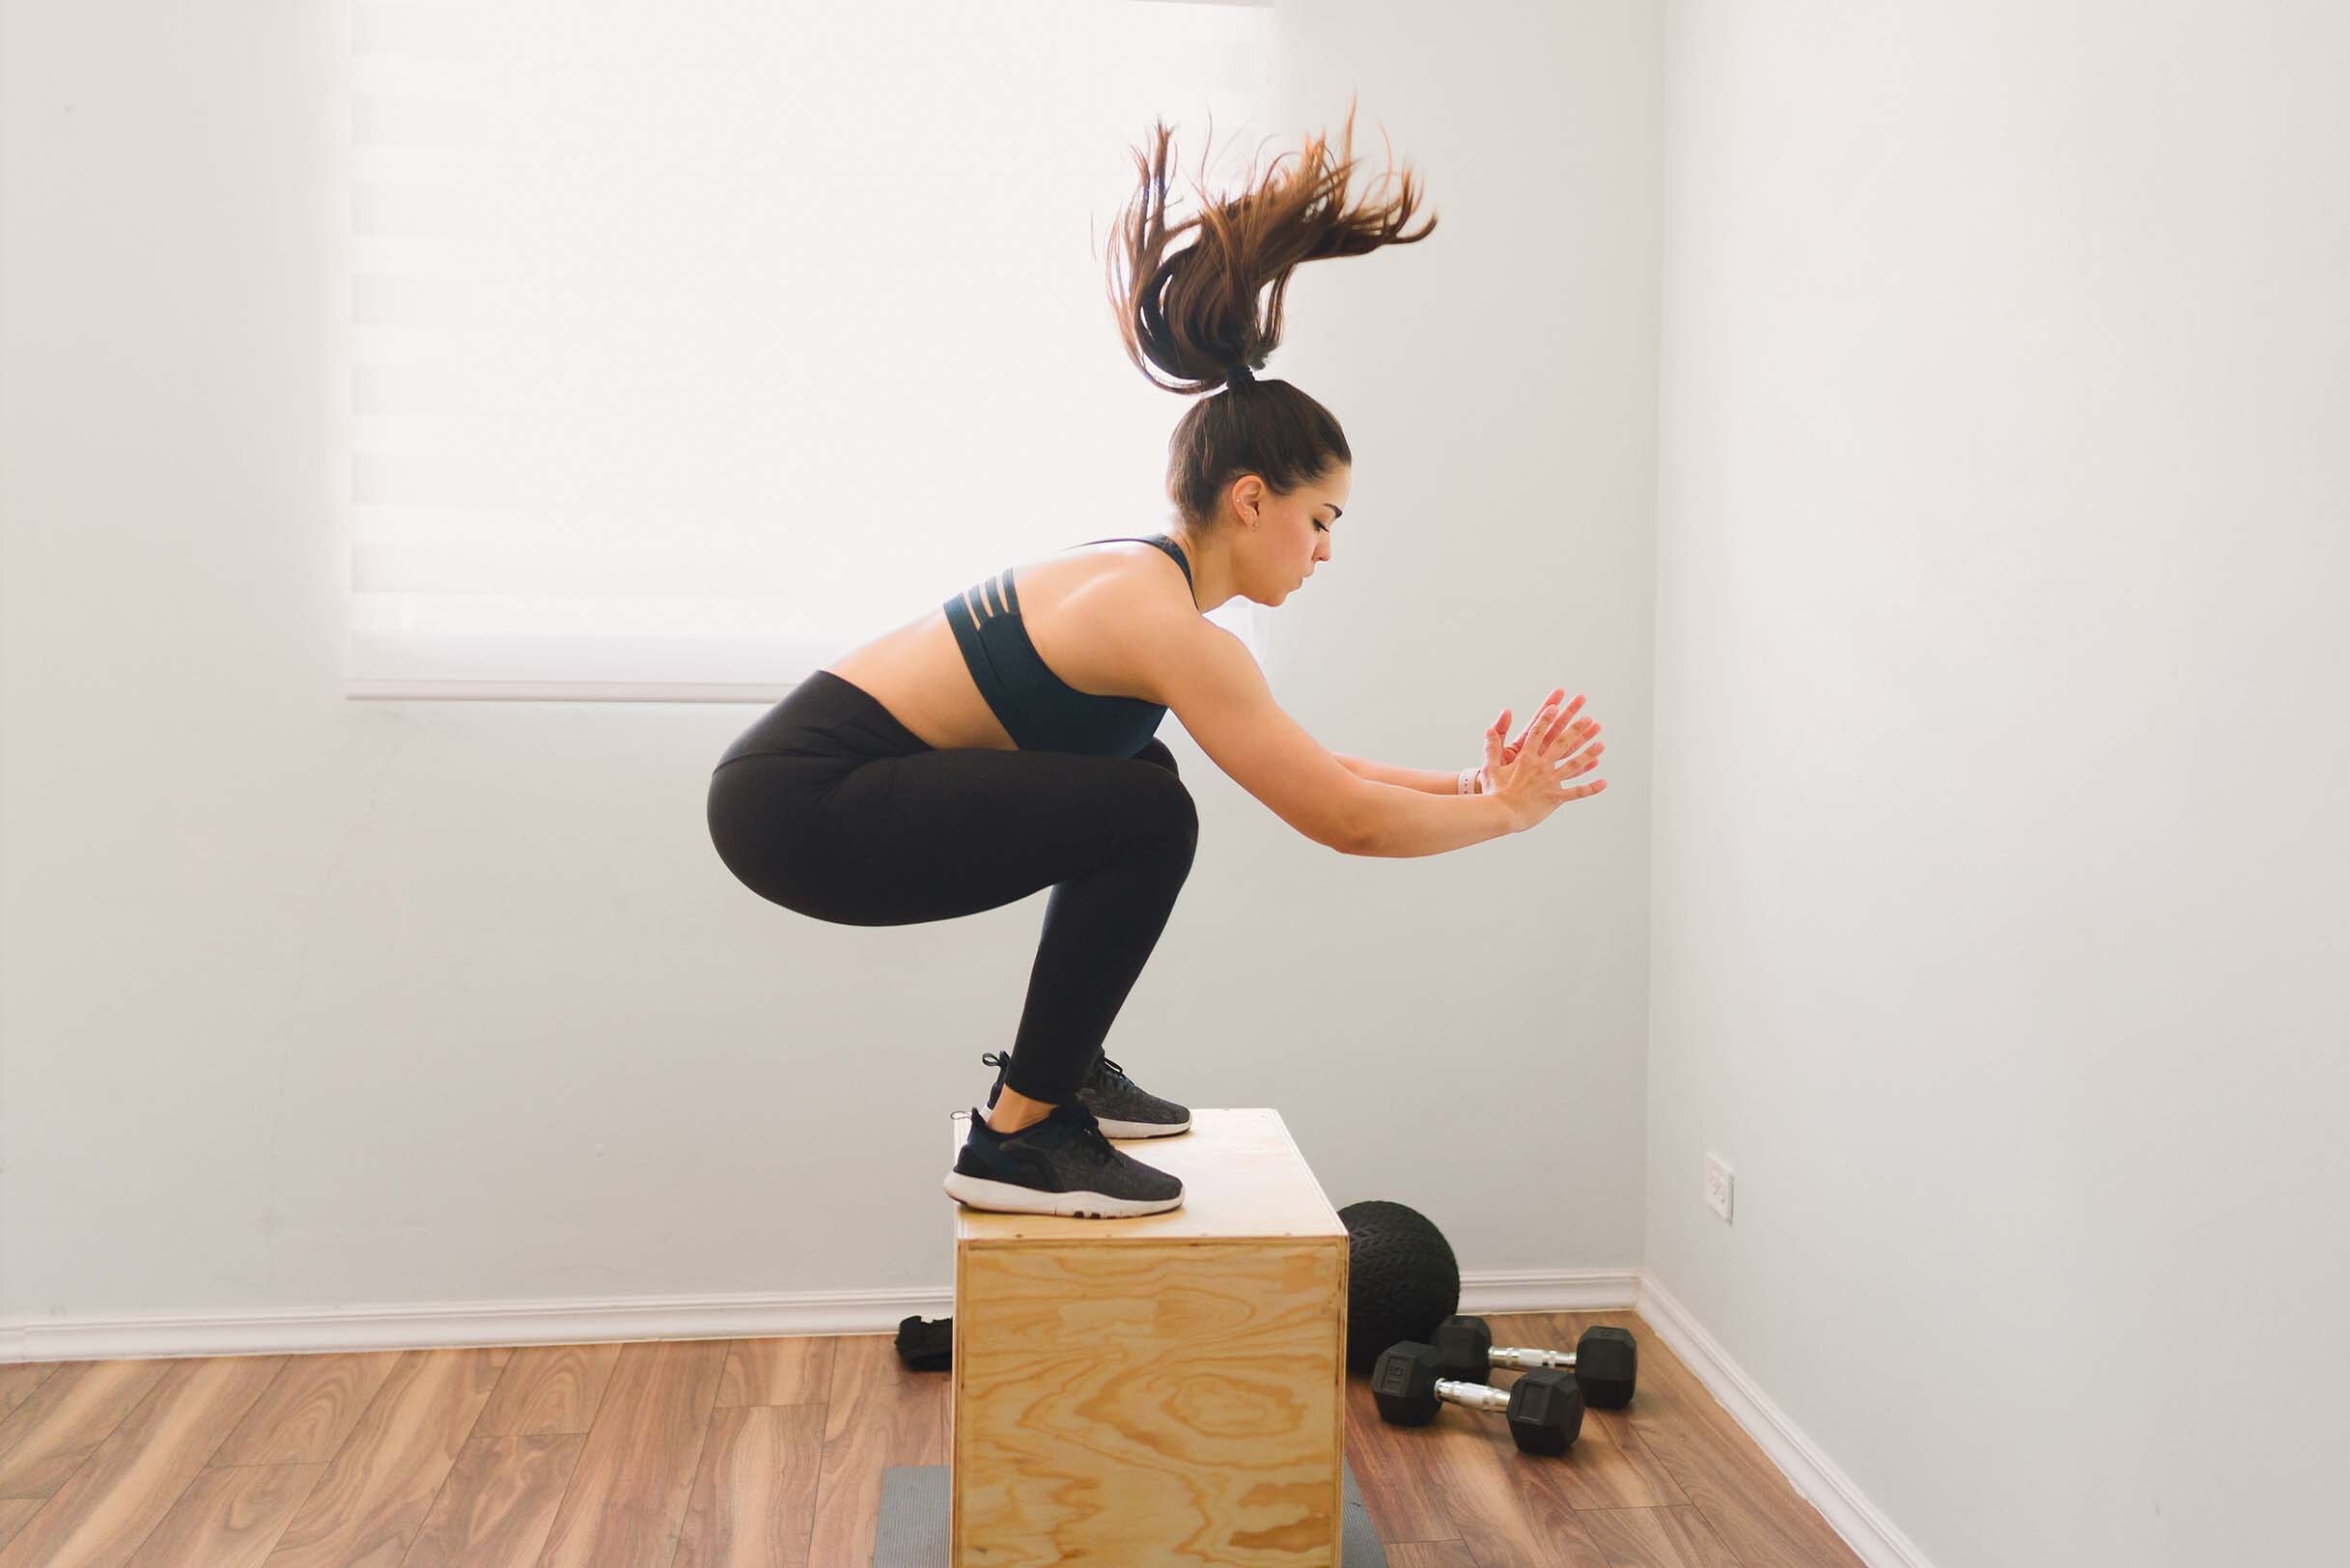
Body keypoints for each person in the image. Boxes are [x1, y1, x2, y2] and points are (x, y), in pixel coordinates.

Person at [706, 105, 1608, 1220]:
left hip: (787, 793)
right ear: (1250, 499)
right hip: (799, 807)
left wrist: (1474, 785)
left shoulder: (1144, 587)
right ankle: (1019, 1136)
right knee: (1148, 816)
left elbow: (1310, 762)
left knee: (1146, 789)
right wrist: (1511, 818)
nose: (1326, 549)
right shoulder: (1169, 627)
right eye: (1321, 518)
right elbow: (1343, 818)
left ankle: (1063, 1067)